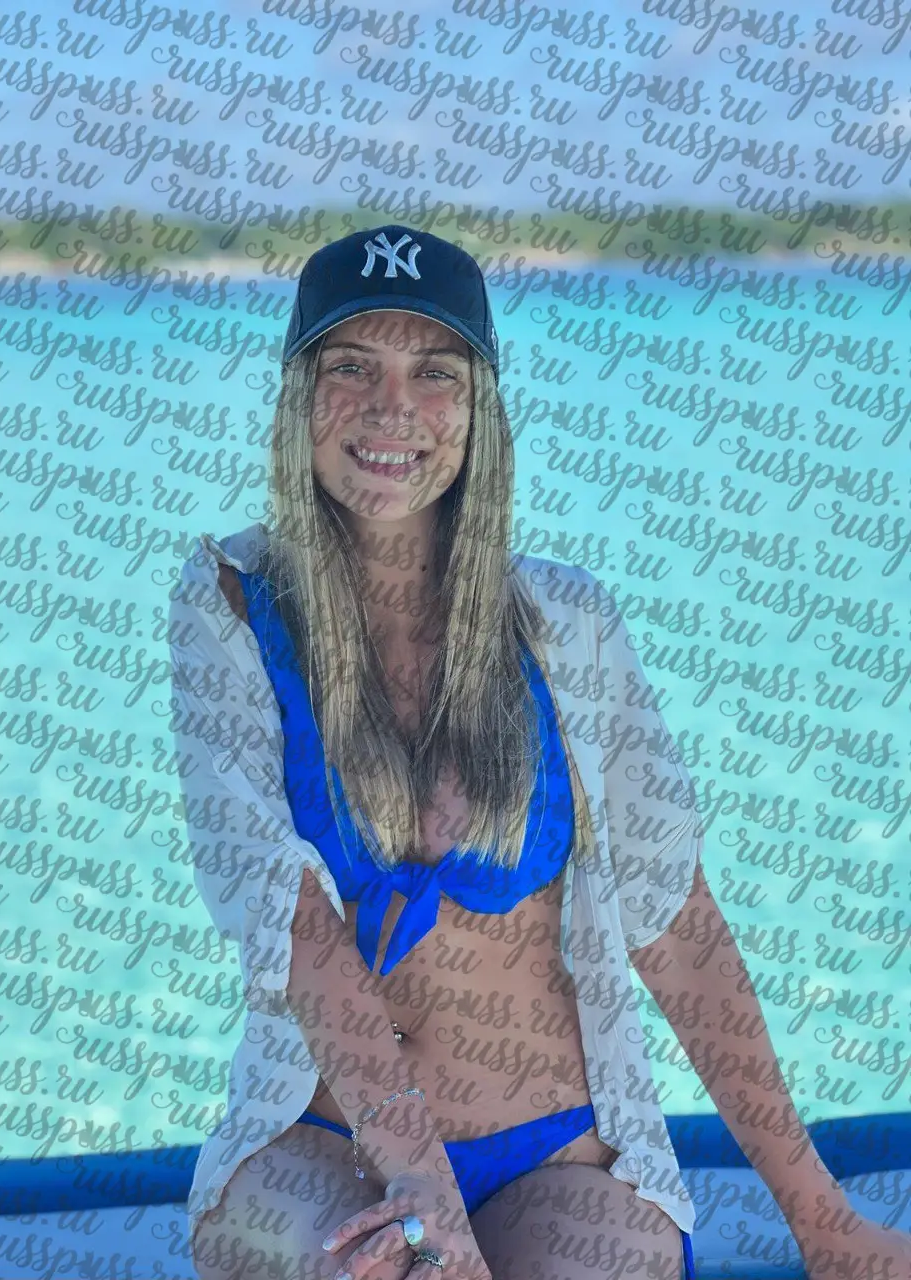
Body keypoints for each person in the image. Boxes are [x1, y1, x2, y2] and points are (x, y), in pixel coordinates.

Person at [169, 225, 909, 1280]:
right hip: (323, 1142)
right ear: (299, 399)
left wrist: (826, 1224)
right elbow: (291, 923)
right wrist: (421, 1191)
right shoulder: (232, 607)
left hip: (559, 1148)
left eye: (436, 373)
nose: (392, 409)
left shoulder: (568, 624)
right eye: (351, 368)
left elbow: (676, 922)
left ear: (481, 409)